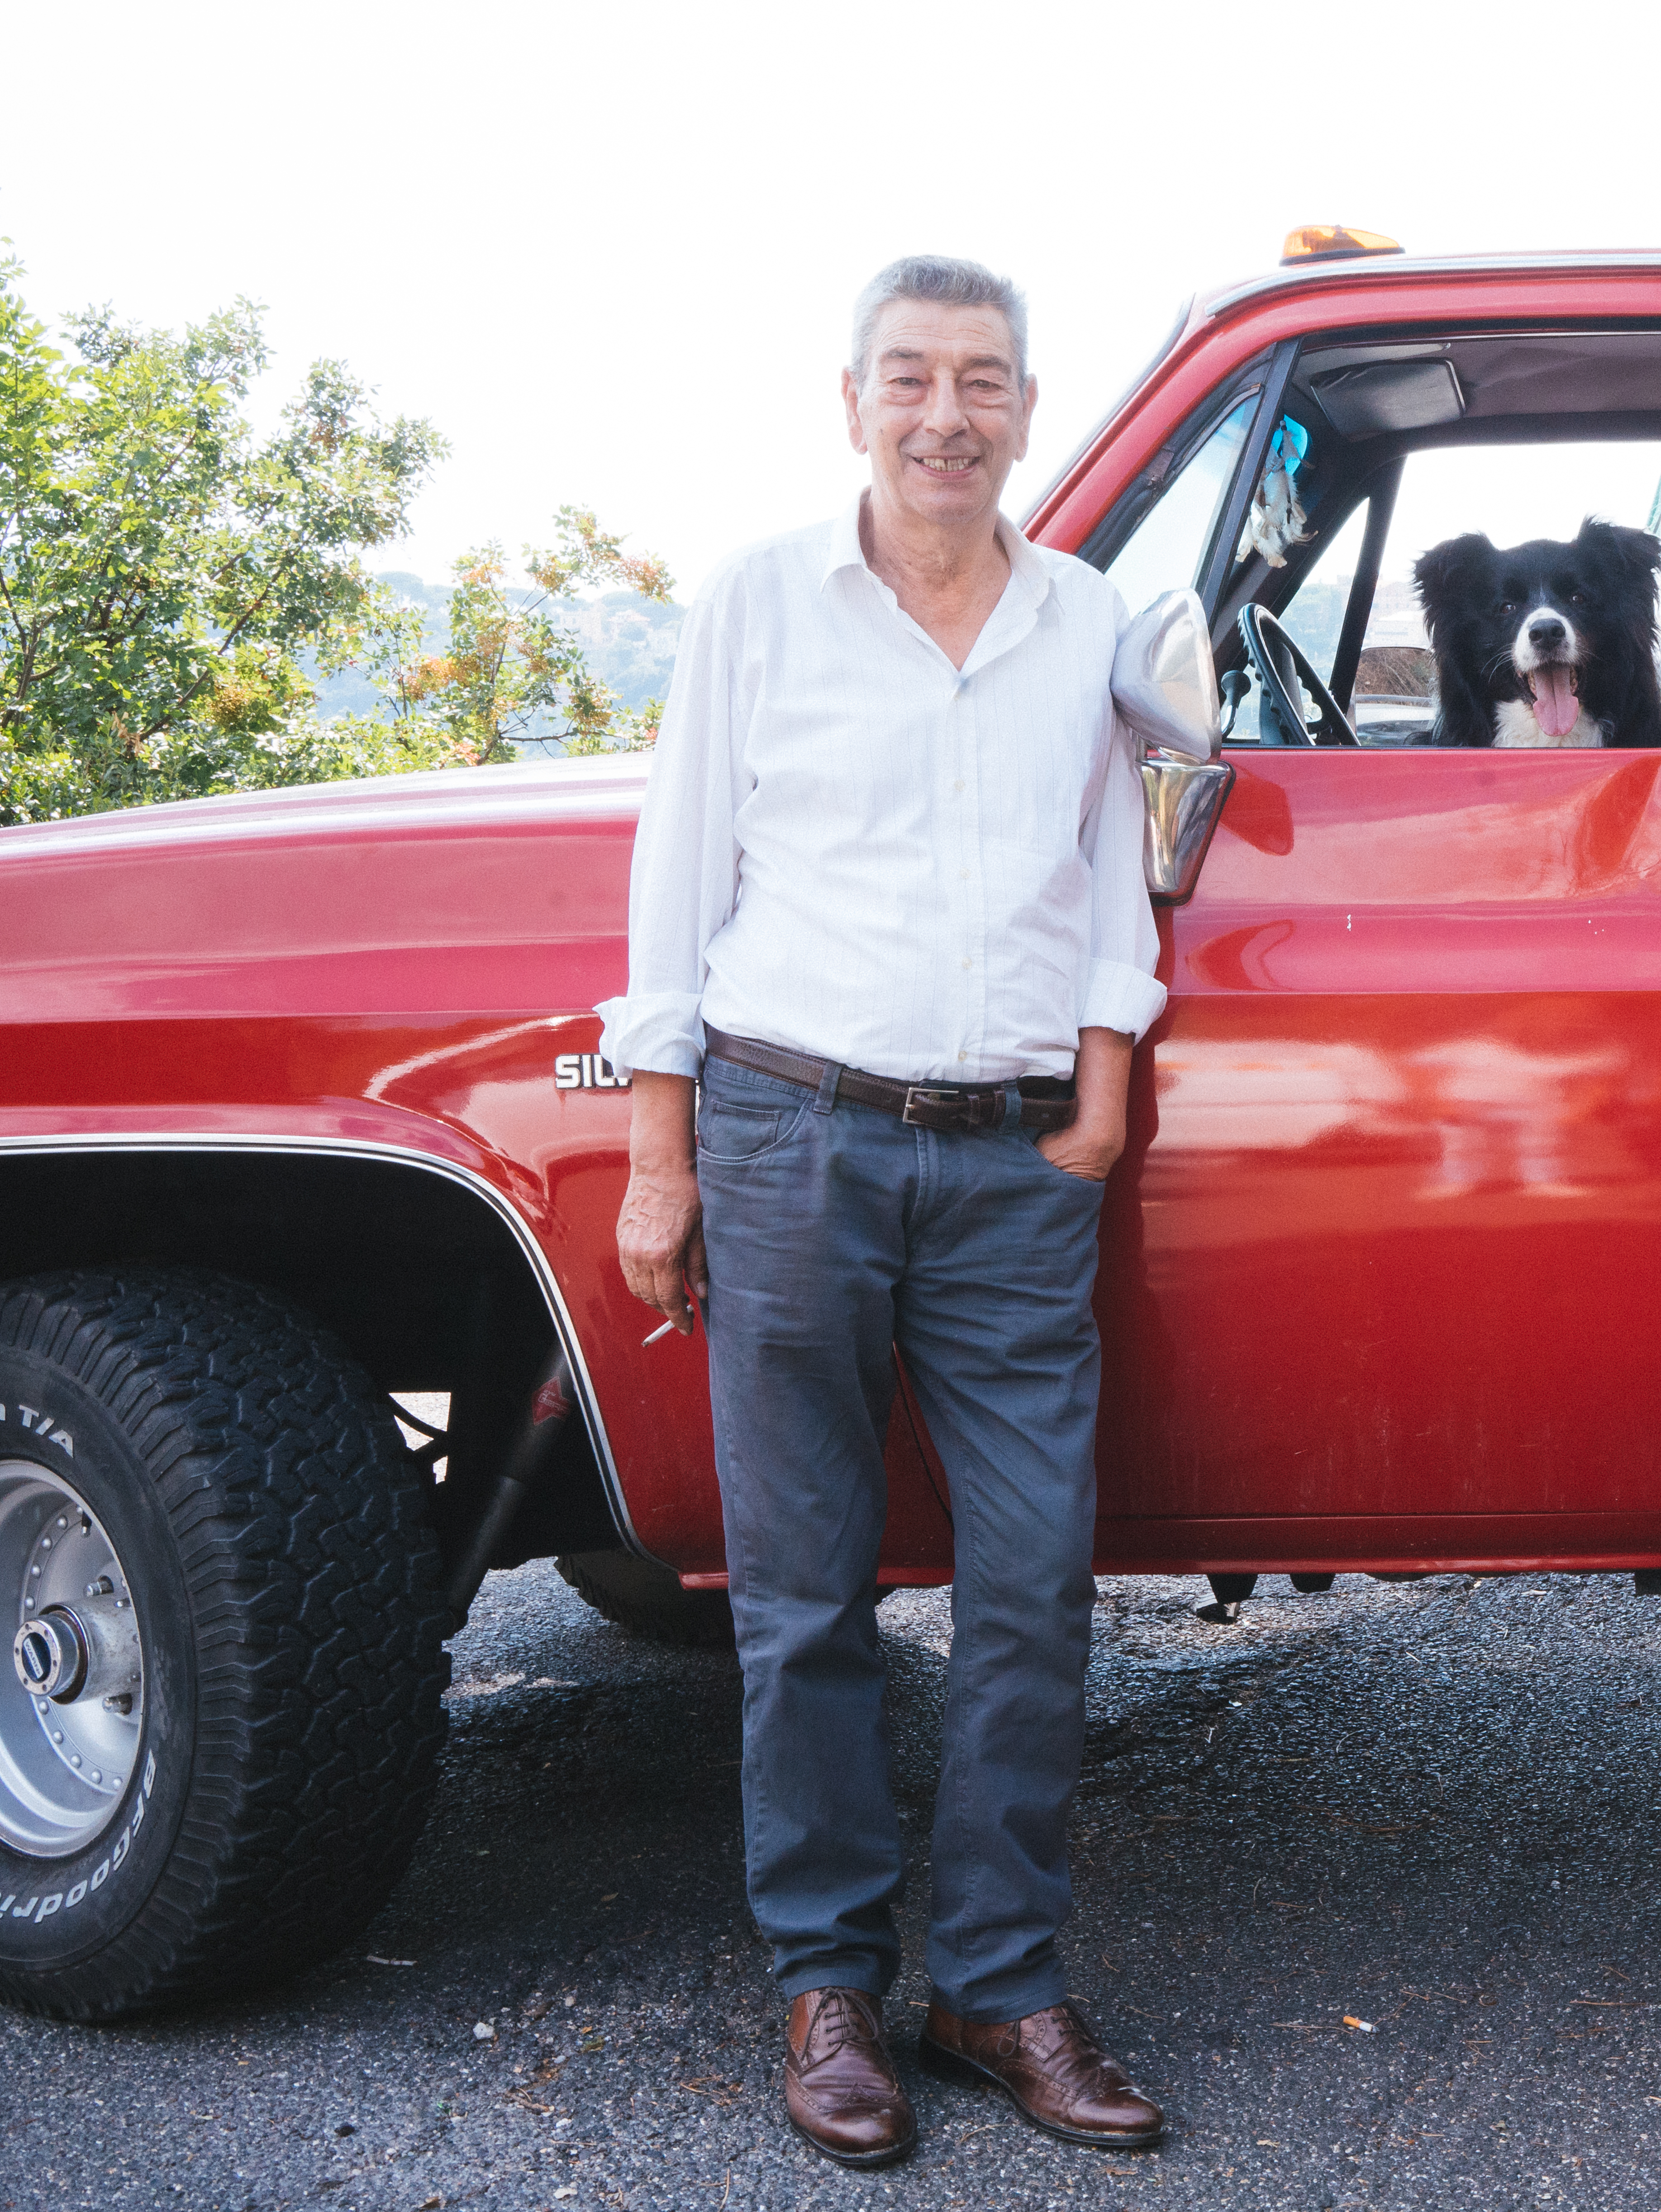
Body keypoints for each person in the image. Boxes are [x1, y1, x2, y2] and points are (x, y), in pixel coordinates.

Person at [597, 255, 1169, 2169]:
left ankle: (999, 1984)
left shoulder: (1085, 614)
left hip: (1016, 1167)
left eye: (983, 382)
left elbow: (1113, 869)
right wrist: (662, 1159)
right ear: (851, 400)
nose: (947, 414)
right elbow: (676, 885)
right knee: (802, 1597)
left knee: (1032, 1587)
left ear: (1025, 407)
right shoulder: (761, 602)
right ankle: (826, 1983)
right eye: (910, 379)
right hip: (790, 1133)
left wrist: (1098, 1093)